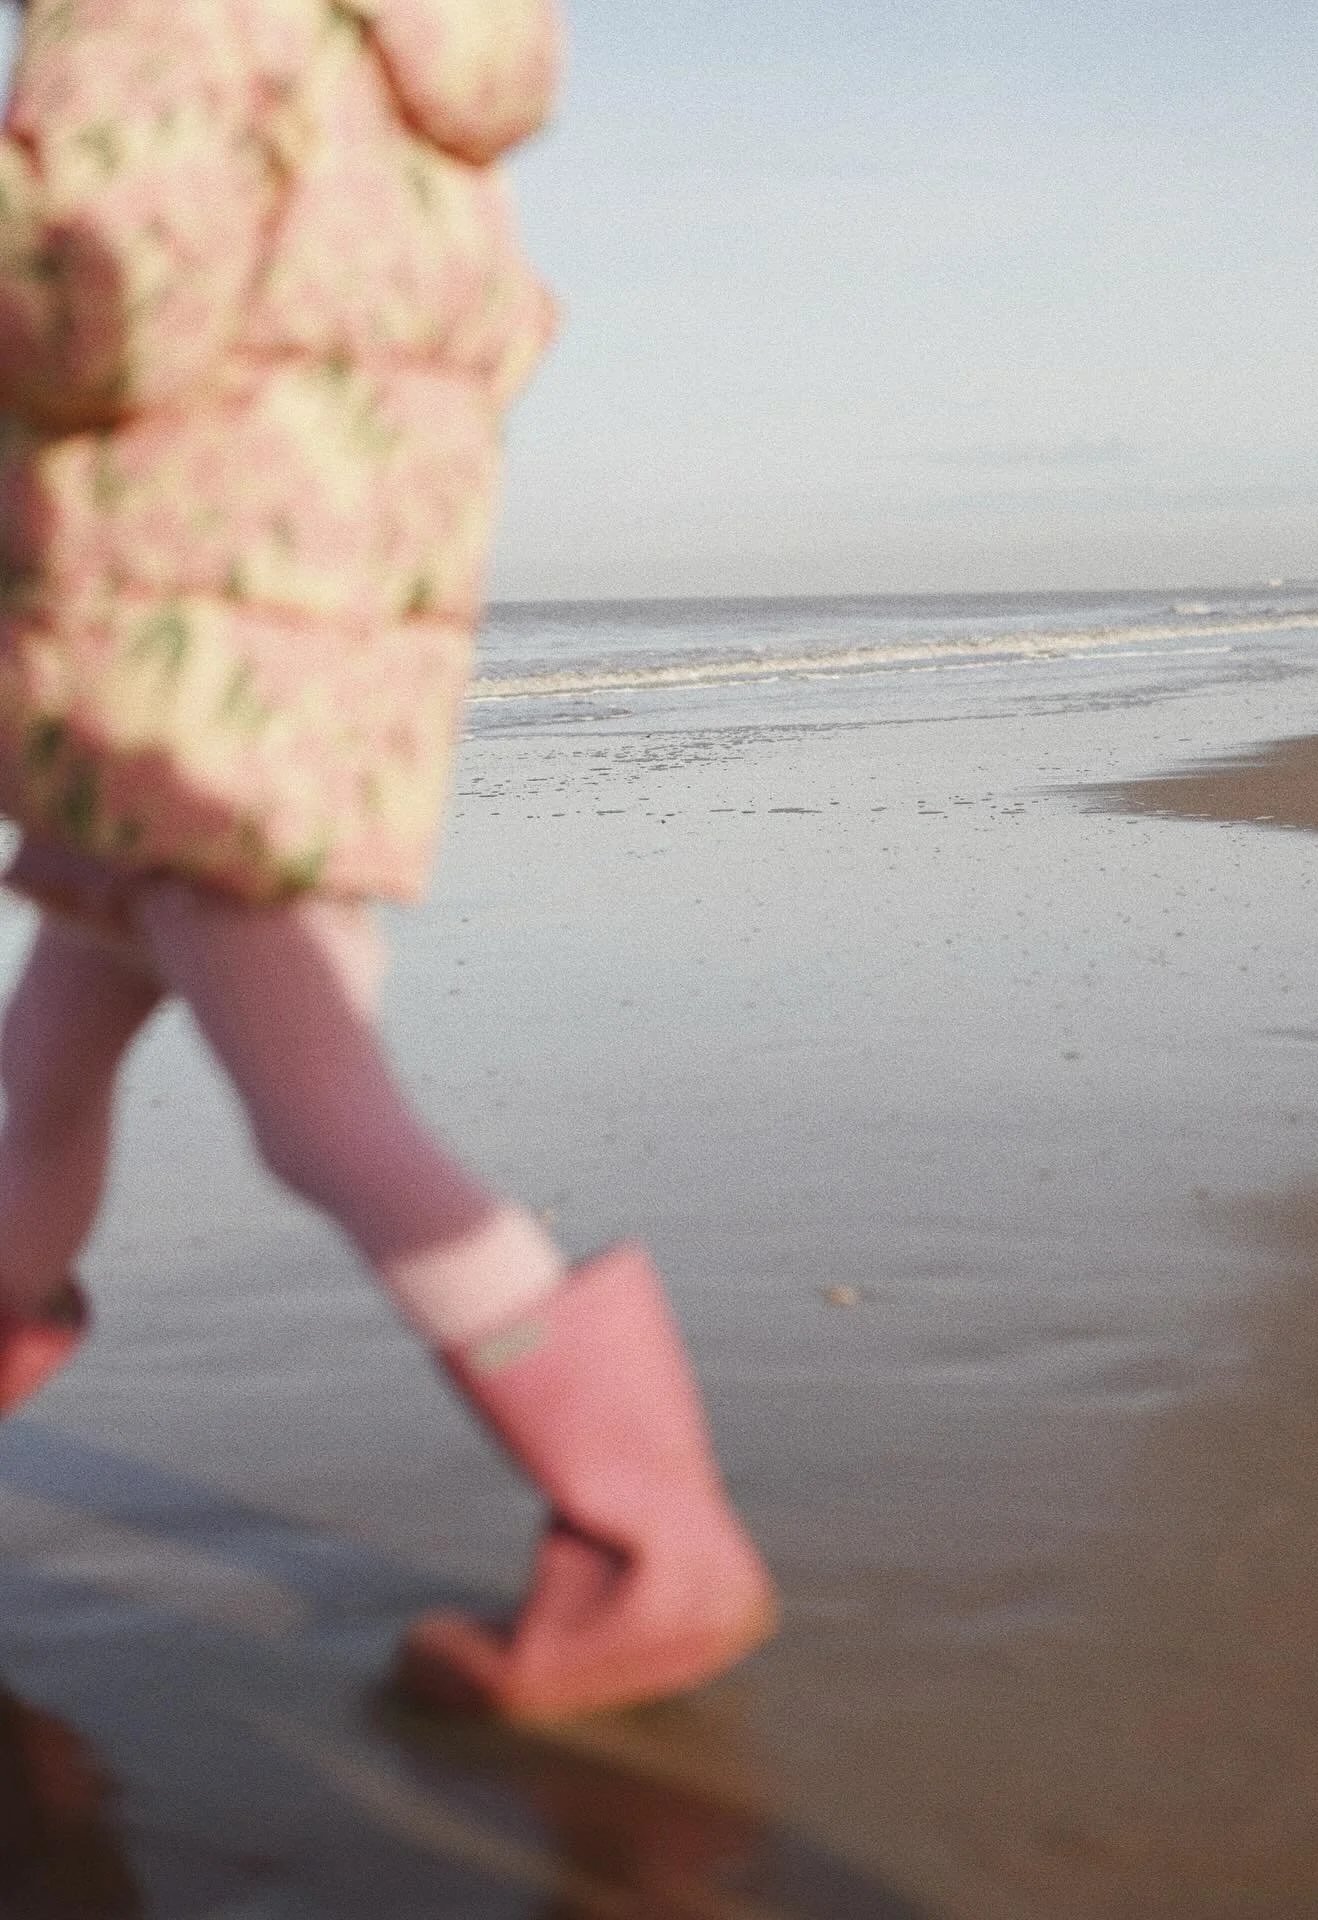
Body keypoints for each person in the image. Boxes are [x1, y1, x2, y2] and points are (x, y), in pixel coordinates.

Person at [0, 0, 777, 1722]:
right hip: (303, 634)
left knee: (321, 1115)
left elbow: (103, 312)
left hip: (188, 645)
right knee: (48, 1058)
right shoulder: (398, 45)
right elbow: (488, 324)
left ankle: (655, 1544)